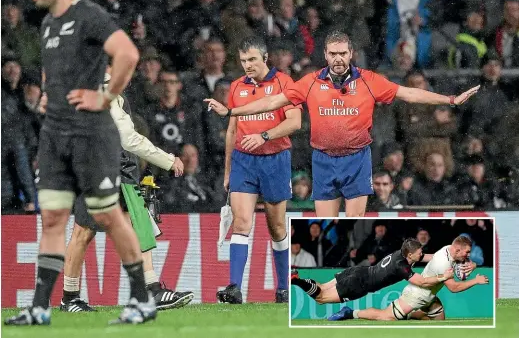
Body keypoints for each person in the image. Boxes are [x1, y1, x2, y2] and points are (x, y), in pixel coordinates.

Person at [6, 0, 153, 326]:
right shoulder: (48, 23)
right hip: (55, 135)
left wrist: (104, 98)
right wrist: (48, 96)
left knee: (106, 213)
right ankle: (40, 306)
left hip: (91, 134)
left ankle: (141, 298)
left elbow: (128, 53)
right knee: (54, 217)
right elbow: (50, 68)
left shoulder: (89, 15)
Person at [205, 31, 480, 217]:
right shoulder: (311, 81)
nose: (338, 59)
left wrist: (450, 99)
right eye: (333, 54)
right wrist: (232, 111)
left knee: (354, 222)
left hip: (358, 158)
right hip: (323, 159)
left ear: (351, 54)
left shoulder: (369, 80)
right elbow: (270, 102)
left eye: (343, 54)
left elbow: (408, 93)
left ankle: (352, 284)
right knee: (327, 225)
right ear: (326, 54)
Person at [60, 69, 194, 313]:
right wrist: (168, 159)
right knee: (83, 232)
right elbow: (128, 139)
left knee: (139, 226)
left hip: (120, 173)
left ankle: (152, 290)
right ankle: (69, 297)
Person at [215, 36, 301, 304]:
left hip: (275, 159)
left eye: (252, 59)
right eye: (243, 60)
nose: (247, 65)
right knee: (241, 222)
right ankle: (234, 288)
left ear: (265, 59)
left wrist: (264, 136)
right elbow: (232, 130)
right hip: (244, 161)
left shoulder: (284, 83)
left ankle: (283, 287)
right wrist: (228, 170)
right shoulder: (236, 87)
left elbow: (295, 123)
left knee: (276, 227)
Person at [291, 238, 468, 314]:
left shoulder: (401, 253)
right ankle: (297, 281)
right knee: (321, 298)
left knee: (321, 286)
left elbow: (429, 257)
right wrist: (443, 277)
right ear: (410, 255)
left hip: (358, 270)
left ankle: (297, 279)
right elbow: (421, 281)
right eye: (419, 252)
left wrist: (451, 257)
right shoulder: (401, 267)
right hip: (358, 284)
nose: (422, 253)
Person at [338, 236, 489, 321]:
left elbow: (460, 262)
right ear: (457, 249)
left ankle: (410, 314)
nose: (468, 255)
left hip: (429, 296)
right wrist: (476, 280)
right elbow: (454, 288)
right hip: (416, 295)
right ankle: (350, 313)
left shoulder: (449, 248)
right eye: (467, 252)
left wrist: (473, 265)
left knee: (440, 326)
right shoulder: (442, 262)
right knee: (384, 316)